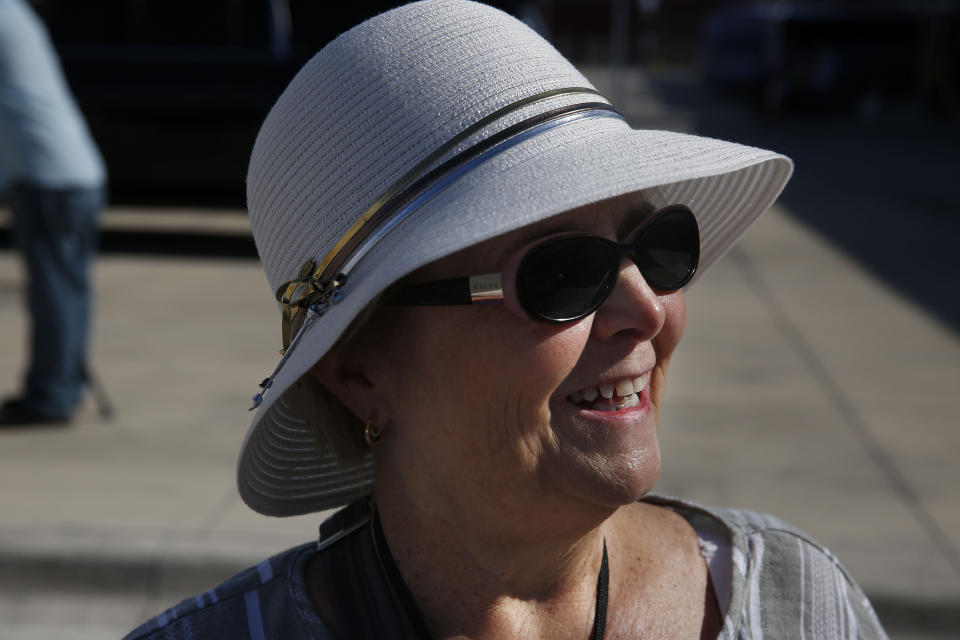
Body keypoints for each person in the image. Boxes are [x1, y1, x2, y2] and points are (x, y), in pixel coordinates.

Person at [126, 1, 888, 638]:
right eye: (561, 272)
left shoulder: (798, 605)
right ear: (360, 369)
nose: (647, 310)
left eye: (658, 248)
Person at [0, 0, 107, 425]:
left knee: (55, 293)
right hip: (75, 172)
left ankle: (52, 396)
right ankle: (63, 384)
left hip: (47, 178)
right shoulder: (15, 14)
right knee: (69, 289)